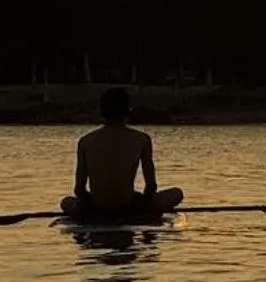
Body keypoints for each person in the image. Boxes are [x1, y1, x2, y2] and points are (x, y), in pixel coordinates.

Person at [59, 88, 184, 219]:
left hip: (96, 207)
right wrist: (146, 204)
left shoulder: (85, 141)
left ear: (102, 112)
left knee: (66, 202)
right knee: (176, 193)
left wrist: (88, 204)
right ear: (128, 110)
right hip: (129, 205)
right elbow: (151, 186)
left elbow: (79, 189)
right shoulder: (142, 139)